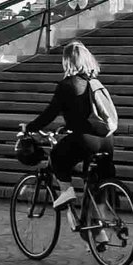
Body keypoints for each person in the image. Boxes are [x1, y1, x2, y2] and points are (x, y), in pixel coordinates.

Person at [22, 41, 117, 211]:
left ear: (67, 61)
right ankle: (100, 228)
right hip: (107, 140)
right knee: (95, 183)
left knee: (57, 157)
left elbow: (50, 114)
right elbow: (85, 113)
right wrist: (70, 125)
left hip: (86, 139)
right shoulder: (94, 83)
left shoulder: (67, 85)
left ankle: (66, 192)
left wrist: (30, 128)